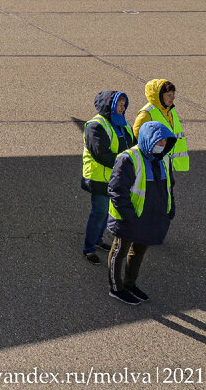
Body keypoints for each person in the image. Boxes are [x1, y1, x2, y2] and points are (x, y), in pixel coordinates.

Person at [105, 119, 177, 304]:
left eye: (165, 142)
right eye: (159, 141)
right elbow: (117, 190)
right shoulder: (128, 158)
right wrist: (130, 217)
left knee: (138, 252)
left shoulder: (165, 159)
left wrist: (170, 208)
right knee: (120, 251)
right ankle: (116, 287)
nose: (162, 145)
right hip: (129, 218)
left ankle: (130, 283)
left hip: (151, 218)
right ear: (148, 140)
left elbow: (169, 187)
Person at [80, 90, 133, 264]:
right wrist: (125, 163)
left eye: (124, 104)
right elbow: (100, 154)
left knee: (107, 213)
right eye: (119, 103)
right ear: (109, 105)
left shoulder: (123, 124)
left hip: (116, 178)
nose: (122, 107)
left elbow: (132, 146)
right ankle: (89, 248)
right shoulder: (96, 125)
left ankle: (98, 239)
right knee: (99, 212)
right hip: (99, 179)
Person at [133, 79, 188, 173]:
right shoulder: (146, 114)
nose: (172, 98)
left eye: (173, 94)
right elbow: (139, 140)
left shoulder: (170, 110)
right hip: (156, 165)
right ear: (159, 96)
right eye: (169, 95)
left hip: (172, 165)